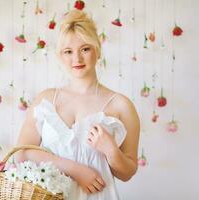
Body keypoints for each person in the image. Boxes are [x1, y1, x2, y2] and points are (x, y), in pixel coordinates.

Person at [17, 9, 140, 200]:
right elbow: (22, 154)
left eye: (85, 49)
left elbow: (127, 173)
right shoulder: (45, 100)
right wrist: (76, 170)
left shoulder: (121, 105)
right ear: (60, 56)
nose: (77, 59)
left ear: (97, 50)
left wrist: (111, 151)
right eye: (68, 51)